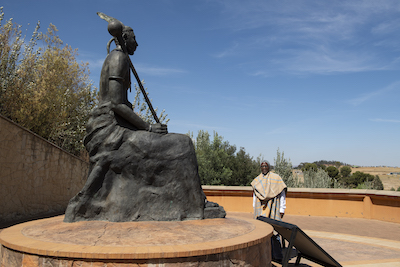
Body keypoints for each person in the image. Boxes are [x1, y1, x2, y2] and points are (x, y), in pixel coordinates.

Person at [251, 161, 287, 261]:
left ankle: (278, 256)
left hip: (274, 208)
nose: (264, 167)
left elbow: (282, 193)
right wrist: (255, 207)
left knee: (275, 232)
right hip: (260, 209)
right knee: (261, 231)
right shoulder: (257, 180)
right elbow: (254, 195)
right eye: (262, 166)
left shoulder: (276, 178)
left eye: (266, 166)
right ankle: (264, 255)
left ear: (269, 167)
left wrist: (282, 208)